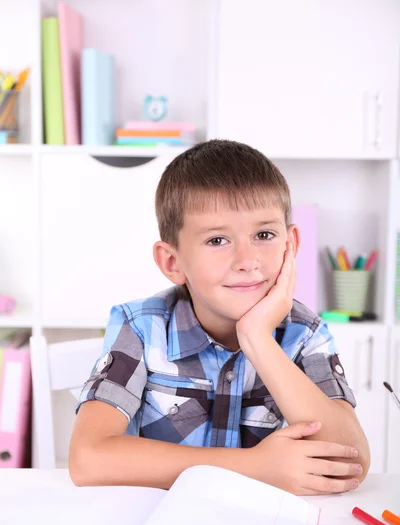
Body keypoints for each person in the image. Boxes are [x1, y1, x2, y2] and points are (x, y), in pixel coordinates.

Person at [69, 139, 370, 494]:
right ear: (172, 262)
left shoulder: (305, 334)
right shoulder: (142, 328)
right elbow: (87, 460)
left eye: (264, 234)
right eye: (217, 240)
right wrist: (255, 467)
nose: (246, 260)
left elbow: (347, 466)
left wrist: (258, 339)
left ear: (290, 247)